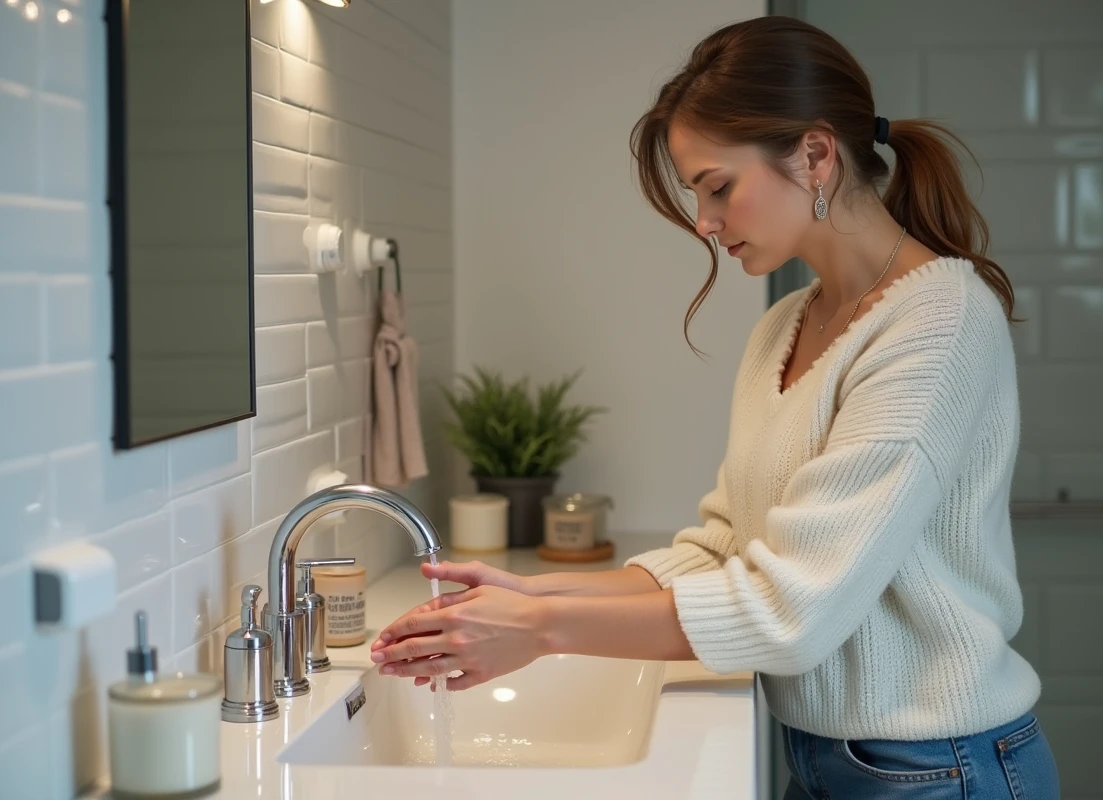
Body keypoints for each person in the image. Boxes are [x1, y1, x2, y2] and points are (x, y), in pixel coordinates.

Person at [369, 16, 1060, 799]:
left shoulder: (937, 325)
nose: (704, 222)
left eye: (718, 186)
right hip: (834, 760)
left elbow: (790, 609)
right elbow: (725, 545)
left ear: (816, 154)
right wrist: (537, 595)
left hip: (940, 770)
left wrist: (542, 629)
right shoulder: (782, 327)